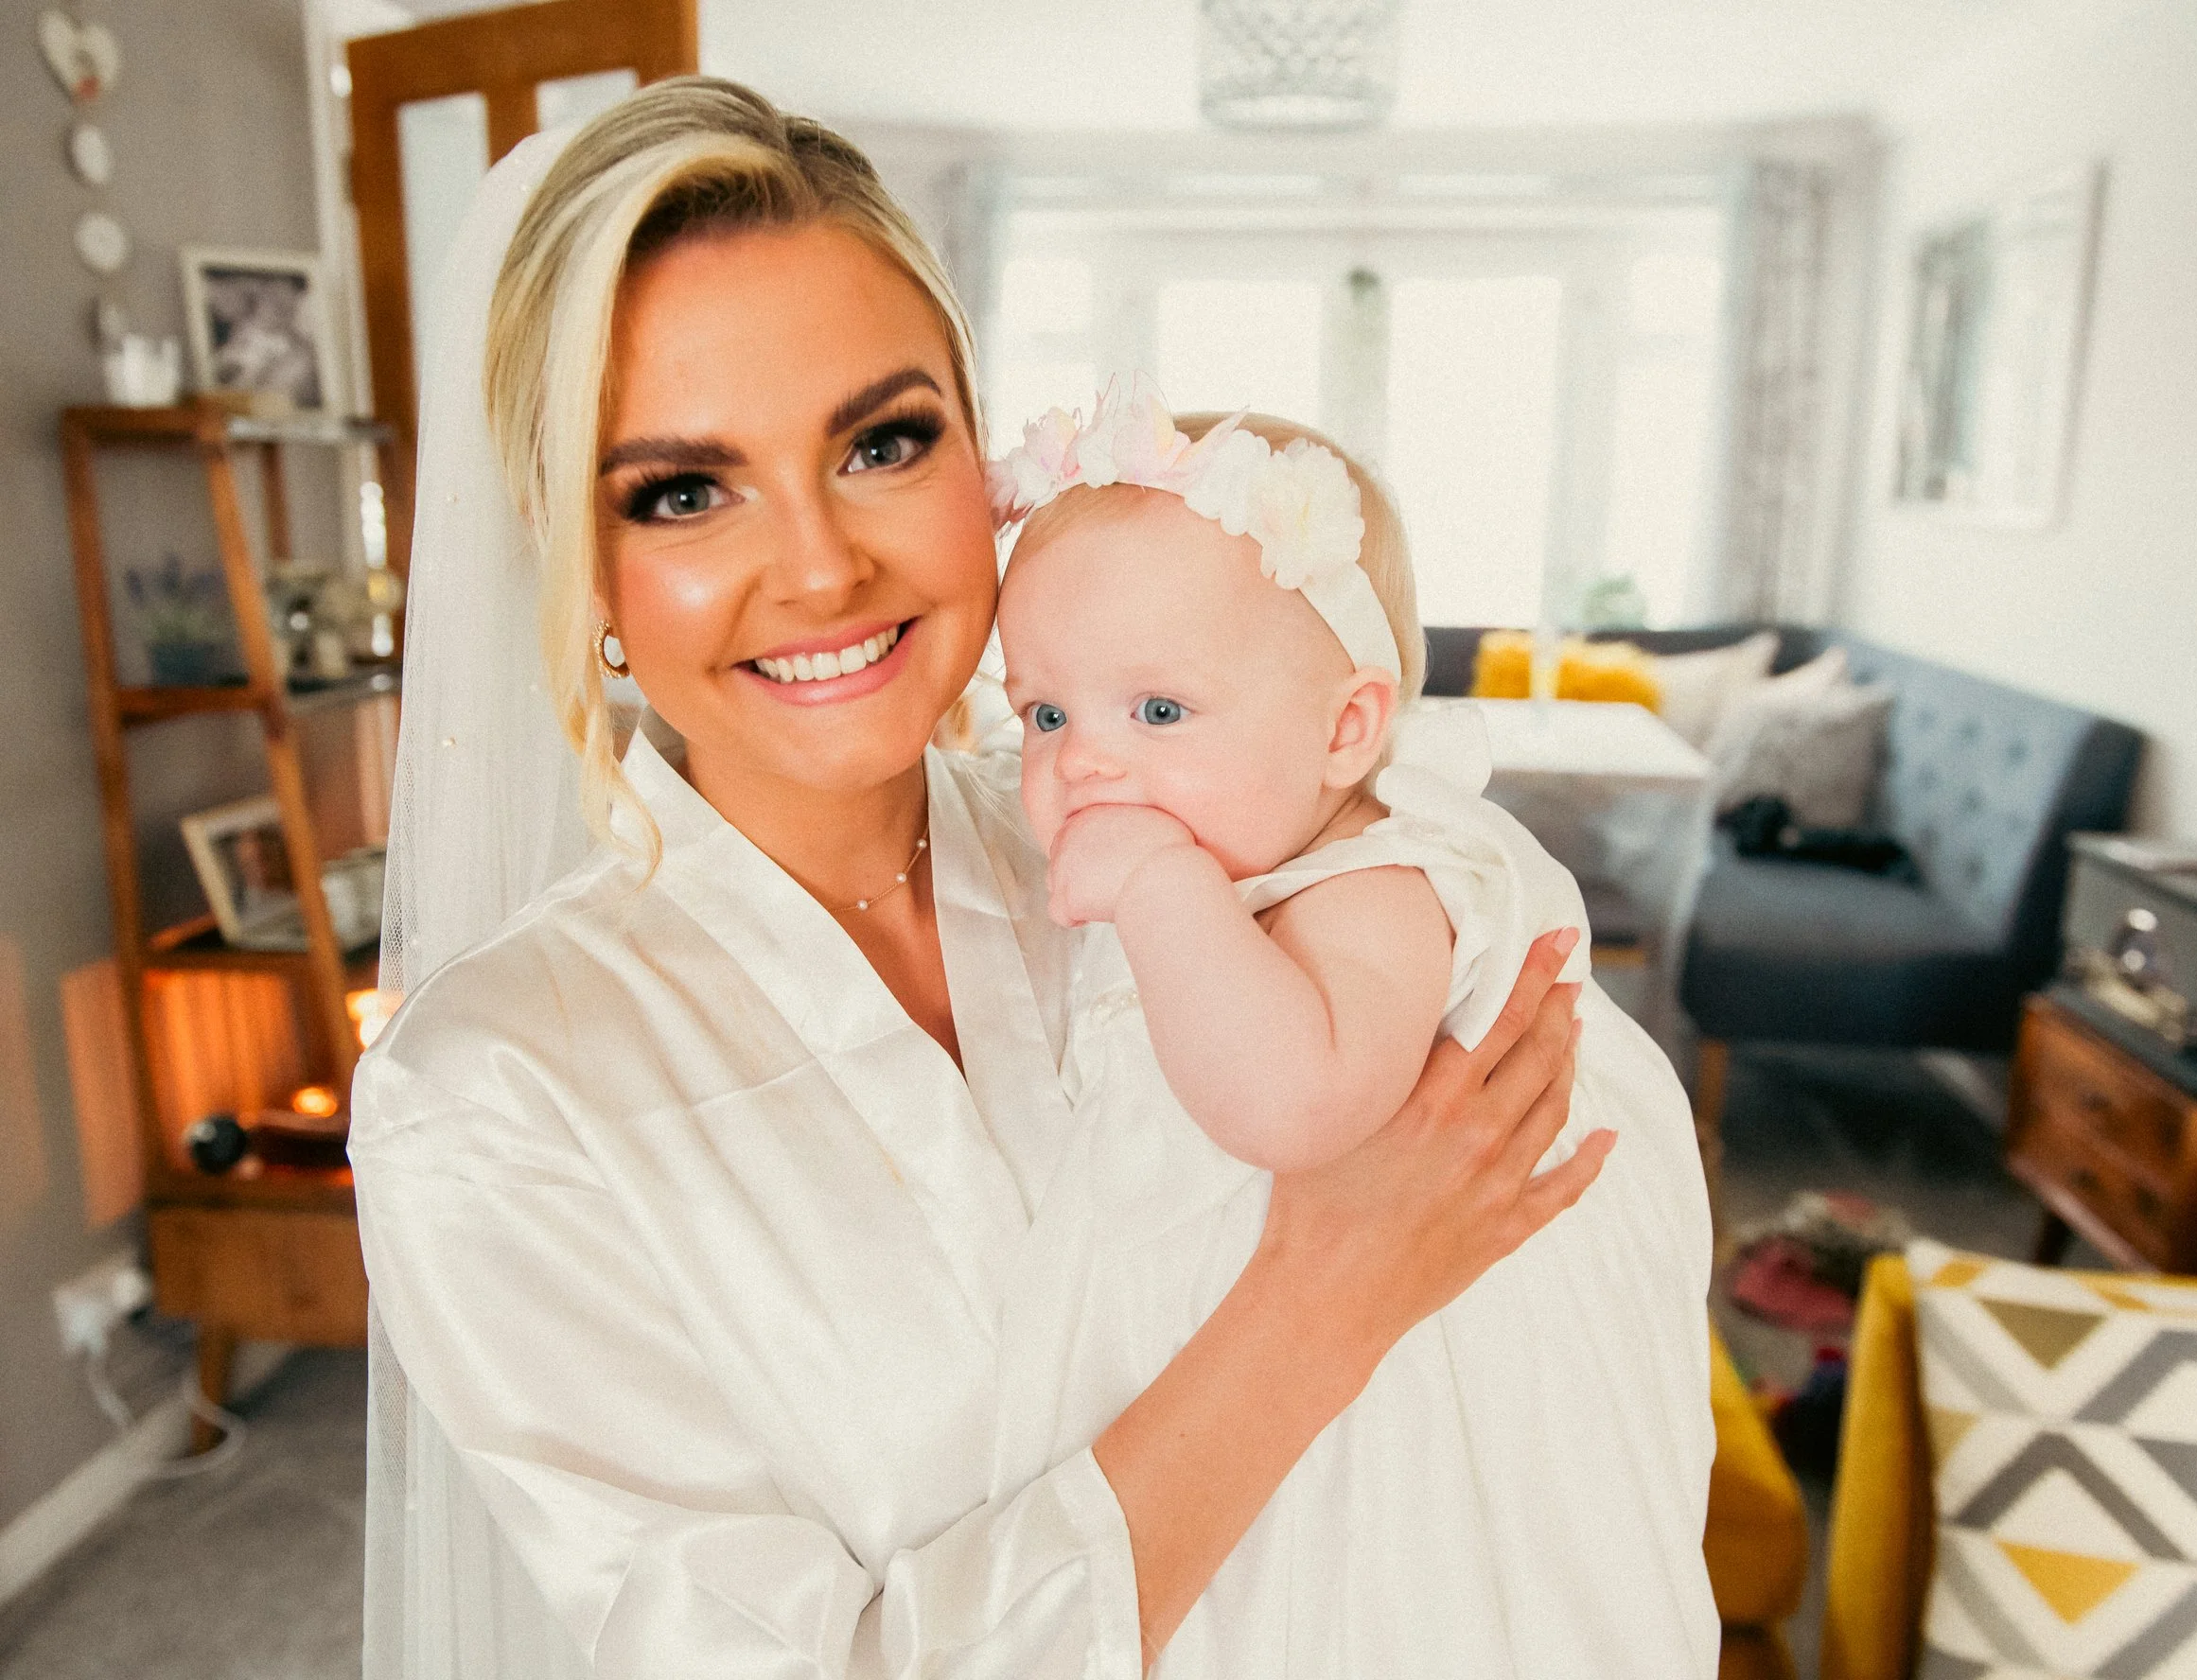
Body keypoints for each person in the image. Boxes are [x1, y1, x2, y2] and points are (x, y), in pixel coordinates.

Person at [352, 78, 1636, 1679]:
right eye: (685, 491)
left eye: (883, 443)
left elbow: (1558, 1192)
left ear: (984, 459)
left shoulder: (1208, 835)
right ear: (582, 562)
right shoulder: (492, 1099)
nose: (821, 566)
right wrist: (1331, 1293)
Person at [986, 379, 1718, 1674]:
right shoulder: (1251, 847)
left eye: (1156, 711)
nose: (1082, 761)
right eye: (1045, 711)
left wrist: (1161, 895)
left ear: (1346, 731)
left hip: (1417, 1416)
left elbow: (1296, 1105)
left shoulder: (1381, 885)